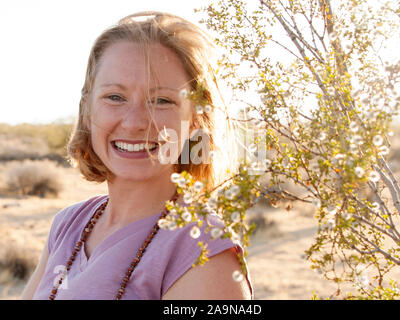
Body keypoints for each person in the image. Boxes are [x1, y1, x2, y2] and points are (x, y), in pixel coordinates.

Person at [20, 11, 253, 300]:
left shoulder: (203, 250)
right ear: (88, 108)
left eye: (161, 101)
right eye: (115, 97)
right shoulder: (69, 223)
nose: (134, 123)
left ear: (195, 119)